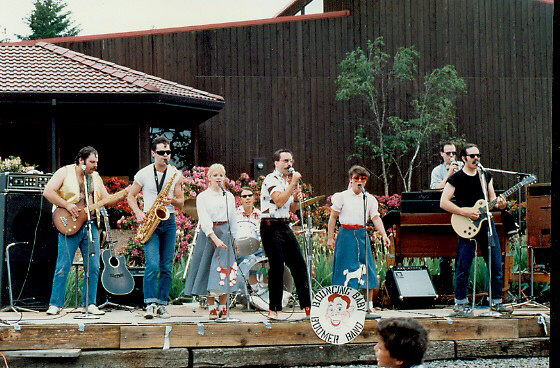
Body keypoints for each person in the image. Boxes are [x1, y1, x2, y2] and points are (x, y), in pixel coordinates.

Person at [44, 146, 119, 315]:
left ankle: (90, 303)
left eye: (96, 162)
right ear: (81, 160)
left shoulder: (95, 177)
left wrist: (123, 195)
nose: (95, 165)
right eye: (92, 161)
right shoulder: (64, 172)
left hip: (90, 224)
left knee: (93, 266)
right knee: (63, 265)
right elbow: (48, 192)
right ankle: (55, 304)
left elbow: (106, 200)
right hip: (68, 223)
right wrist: (67, 205)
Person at [440, 143, 513, 317]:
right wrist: (463, 211)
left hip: (486, 223)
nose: (476, 158)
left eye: (478, 155)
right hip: (465, 223)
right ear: (464, 158)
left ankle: (496, 301)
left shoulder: (485, 176)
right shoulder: (456, 178)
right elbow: (444, 202)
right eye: (472, 156)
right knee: (463, 263)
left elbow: (492, 200)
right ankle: (460, 303)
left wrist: (501, 204)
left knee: (495, 262)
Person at [127, 136, 184, 319]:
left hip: (168, 221)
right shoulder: (143, 173)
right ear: (153, 154)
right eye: (161, 152)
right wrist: (138, 213)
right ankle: (150, 303)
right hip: (151, 220)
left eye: (168, 152)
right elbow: (131, 196)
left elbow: (181, 202)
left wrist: (172, 200)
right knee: (152, 264)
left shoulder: (175, 174)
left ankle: (162, 304)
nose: (165, 155)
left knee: (166, 266)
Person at [326, 165, 390, 314]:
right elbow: (333, 217)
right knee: (344, 269)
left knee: (367, 267)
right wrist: (330, 237)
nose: (359, 181)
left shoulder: (369, 199)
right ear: (351, 179)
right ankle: (341, 305)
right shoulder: (342, 196)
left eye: (363, 178)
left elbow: (375, 218)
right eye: (356, 178)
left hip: (361, 234)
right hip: (346, 234)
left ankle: (369, 305)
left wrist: (384, 234)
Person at [260, 149, 311, 319]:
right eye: (285, 161)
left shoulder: (286, 181)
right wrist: (292, 184)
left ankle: (307, 306)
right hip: (270, 225)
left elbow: (291, 209)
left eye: (291, 161)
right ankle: (273, 308)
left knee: (299, 264)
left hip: (284, 224)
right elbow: (279, 201)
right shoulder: (270, 179)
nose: (289, 164)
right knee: (277, 266)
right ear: (276, 163)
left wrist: (296, 198)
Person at [184, 163, 239, 320]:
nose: (218, 178)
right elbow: (204, 219)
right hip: (209, 234)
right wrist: (213, 237)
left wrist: (234, 237)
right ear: (209, 178)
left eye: (221, 175)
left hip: (225, 232)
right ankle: (211, 307)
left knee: (225, 270)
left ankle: (223, 306)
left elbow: (233, 217)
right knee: (209, 268)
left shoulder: (228, 196)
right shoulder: (203, 197)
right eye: (215, 175)